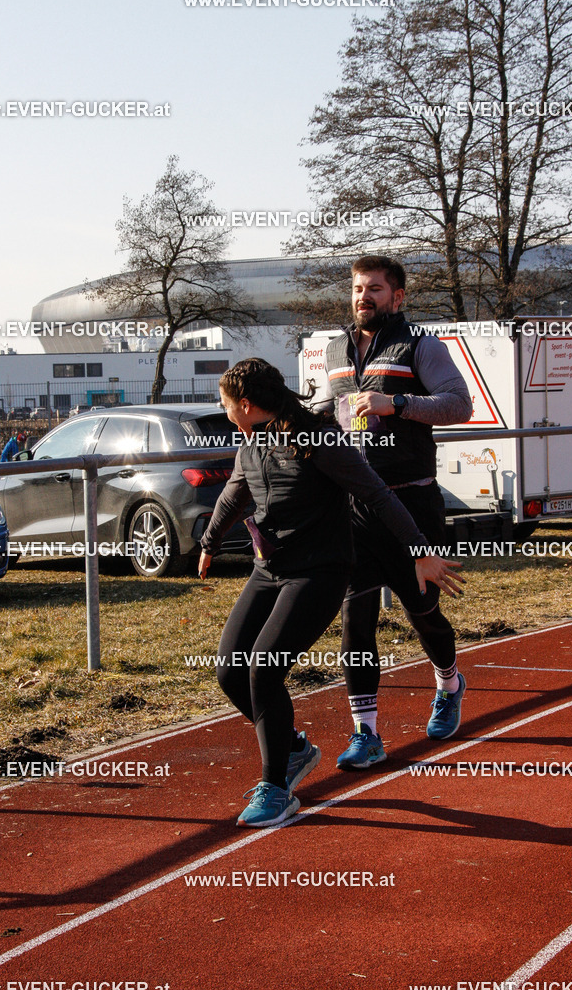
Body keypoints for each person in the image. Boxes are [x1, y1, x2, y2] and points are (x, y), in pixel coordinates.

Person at [199, 358, 463, 828]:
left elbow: (378, 495)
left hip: (319, 572)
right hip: (270, 569)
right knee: (230, 671)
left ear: (244, 404)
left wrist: (420, 551)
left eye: (225, 404)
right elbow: (235, 494)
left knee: (263, 669)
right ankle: (294, 748)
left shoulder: (318, 438)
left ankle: (277, 787)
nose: (223, 413)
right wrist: (209, 543)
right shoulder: (251, 443)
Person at [324, 254, 473, 769]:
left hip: (411, 500)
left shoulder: (421, 346)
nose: (364, 297)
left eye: (376, 290)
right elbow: (330, 414)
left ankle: (449, 681)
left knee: (421, 610)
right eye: (359, 289)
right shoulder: (333, 349)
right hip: (355, 508)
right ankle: (366, 731)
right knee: (356, 618)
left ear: (398, 296)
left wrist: (398, 404)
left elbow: (459, 405)